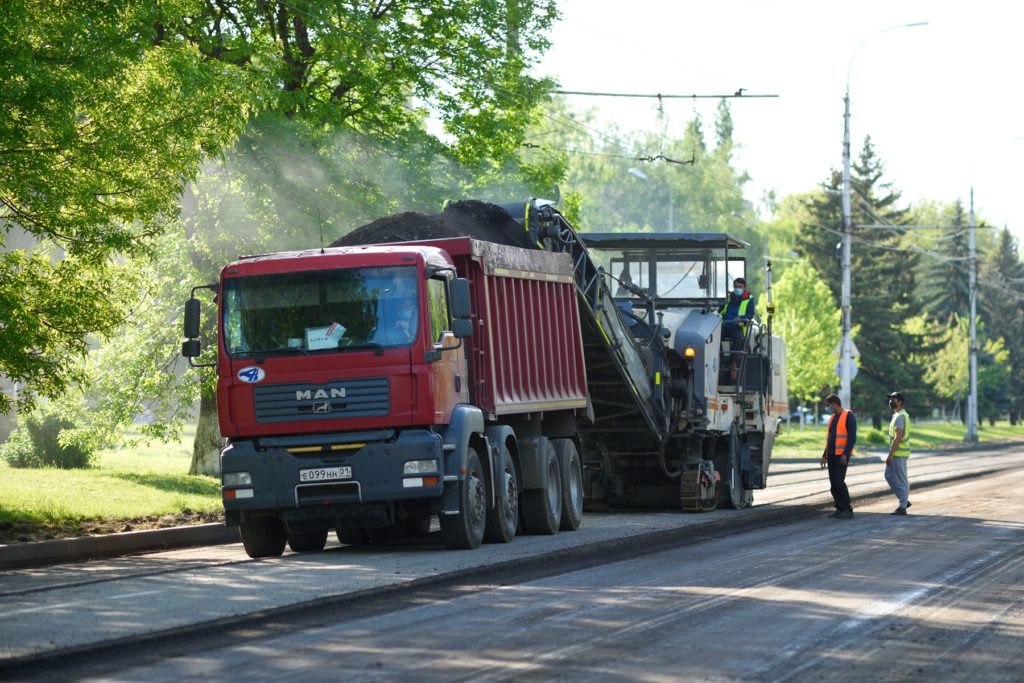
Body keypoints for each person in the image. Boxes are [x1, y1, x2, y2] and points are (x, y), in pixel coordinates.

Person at [819, 394, 856, 519]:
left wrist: (845, 453)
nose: (829, 408)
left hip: (842, 456)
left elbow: (852, 437)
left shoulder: (849, 416)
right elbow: (830, 439)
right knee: (833, 483)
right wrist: (824, 455)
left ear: (835, 403)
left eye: (829, 406)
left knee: (839, 481)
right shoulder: (833, 417)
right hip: (831, 455)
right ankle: (839, 508)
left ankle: (847, 509)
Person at [885, 391, 912, 515]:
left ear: (900, 402)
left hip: (899, 454)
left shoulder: (901, 416)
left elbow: (898, 437)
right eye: (890, 399)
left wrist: (890, 454)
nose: (891, 401)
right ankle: (904, 499)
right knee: (888, 475)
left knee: (901, 480)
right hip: (896, 453)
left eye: (894, 399)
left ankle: (902, 506)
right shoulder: (896, 415)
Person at [720, 277, 756, 352]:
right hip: (725, 324)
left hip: (738, 326)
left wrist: (741, 318)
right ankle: (721, 359)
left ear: (744, 288)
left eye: (740, 287)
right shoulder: (728, 297)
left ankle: (734, 361)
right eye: (735, 286)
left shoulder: (749, 298)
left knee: (738, 337)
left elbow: (750, 314)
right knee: (714, 336)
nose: (737, 288)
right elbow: (720, 311)